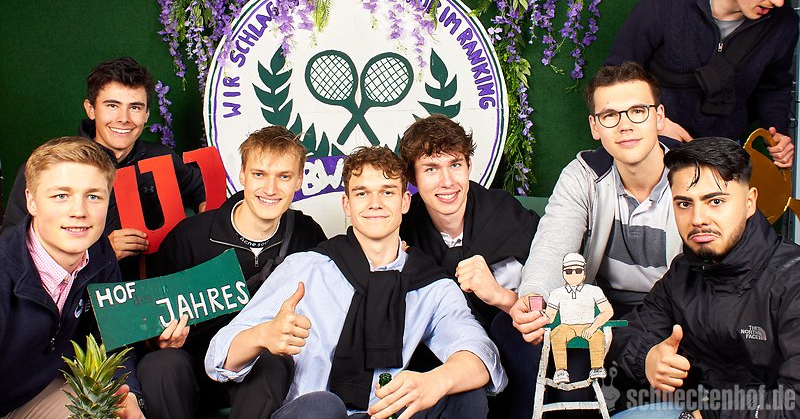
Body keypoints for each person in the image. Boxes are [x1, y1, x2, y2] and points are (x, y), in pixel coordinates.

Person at [205, 146, 506, 419]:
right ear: (347, 204)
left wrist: (436, 381)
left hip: (380, 412)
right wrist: (263, 334)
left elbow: (482, 355)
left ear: (404, 202)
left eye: (387, 192)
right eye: (362, 193)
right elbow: (218, 357)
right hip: (310, 413)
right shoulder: (306, 268)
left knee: (465, 394)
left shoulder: (429, 285)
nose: (375, 203)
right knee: (324, 405)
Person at [510, 63, 684, 413]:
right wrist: (533, 297)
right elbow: (553, 245)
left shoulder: (690, 174)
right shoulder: (584, 175)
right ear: (594, 126)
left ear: (659, 117)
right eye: (609, 115)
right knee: (518, 330)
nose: (625, 125)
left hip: (675, 313)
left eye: (638, 111)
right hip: (604, 313)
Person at [137, 126, 327, 419]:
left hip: (258, 371)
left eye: (284, 177)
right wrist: (159, 340)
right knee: (159, 364)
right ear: (242, 174)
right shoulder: (190, 236)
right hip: (192, 367)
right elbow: (148, 323)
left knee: (273, 360)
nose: (270, 189)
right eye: (259, 174)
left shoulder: (307, 234)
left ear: (299, 180)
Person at [614, 137, 800, 418]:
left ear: (750, 202)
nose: (698, 218)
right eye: (684, 204)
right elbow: (630, 332)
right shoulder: (684, 272)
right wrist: (648, 359)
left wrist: (706, 414)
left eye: (715, 201)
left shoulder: (792, 279)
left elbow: (794, 404)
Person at [606, 0, 800, 168]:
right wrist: (656, 123)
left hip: (724, 152)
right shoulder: (666, 1)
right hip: (655, 144)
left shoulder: (784, 24)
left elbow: (773, 86)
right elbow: (616, 74)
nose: (780, 0)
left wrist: (778, 132)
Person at [1, 57, 206, 279]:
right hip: (78, 291)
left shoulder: (162, 158)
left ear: (147, 114)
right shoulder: (49, 167)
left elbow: (202, 188)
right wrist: (99, 252)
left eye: (135, 107)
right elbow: (12, 247)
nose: (124, 119)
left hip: (152, 288)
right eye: (112, 106)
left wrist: (205, 212)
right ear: (91, 109)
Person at [398, 114, 539, 417]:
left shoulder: (503, 212)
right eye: (431, 169)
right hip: (448, 362)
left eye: (455, 164)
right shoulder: (403, 228)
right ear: (412, 178)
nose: (447, 181)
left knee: (515, 330)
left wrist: (499, 295)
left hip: (516, 356)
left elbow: (551, 299)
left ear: (469, 165)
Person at [0, 137, 144, 418]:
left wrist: (128, 395)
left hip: (40, 391)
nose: (79, 212)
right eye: (61, 196)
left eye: (93, 196)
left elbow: (115, 336)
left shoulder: (100, 253)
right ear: (31, 201)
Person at [545, 253, 614, 385]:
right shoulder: (557, 293)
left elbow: (608, 311)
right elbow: (550, 315)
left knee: (598, 336)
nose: (573, 275)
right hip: (566, 326)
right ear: (563, 272)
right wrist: (540, 316)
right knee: (557, 335)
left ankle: (597, 368)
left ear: (584, 272)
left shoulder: (594, 291)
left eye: (578, 271)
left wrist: (593, 327)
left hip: (588, 324)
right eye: (569, 271)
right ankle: (561, 370)